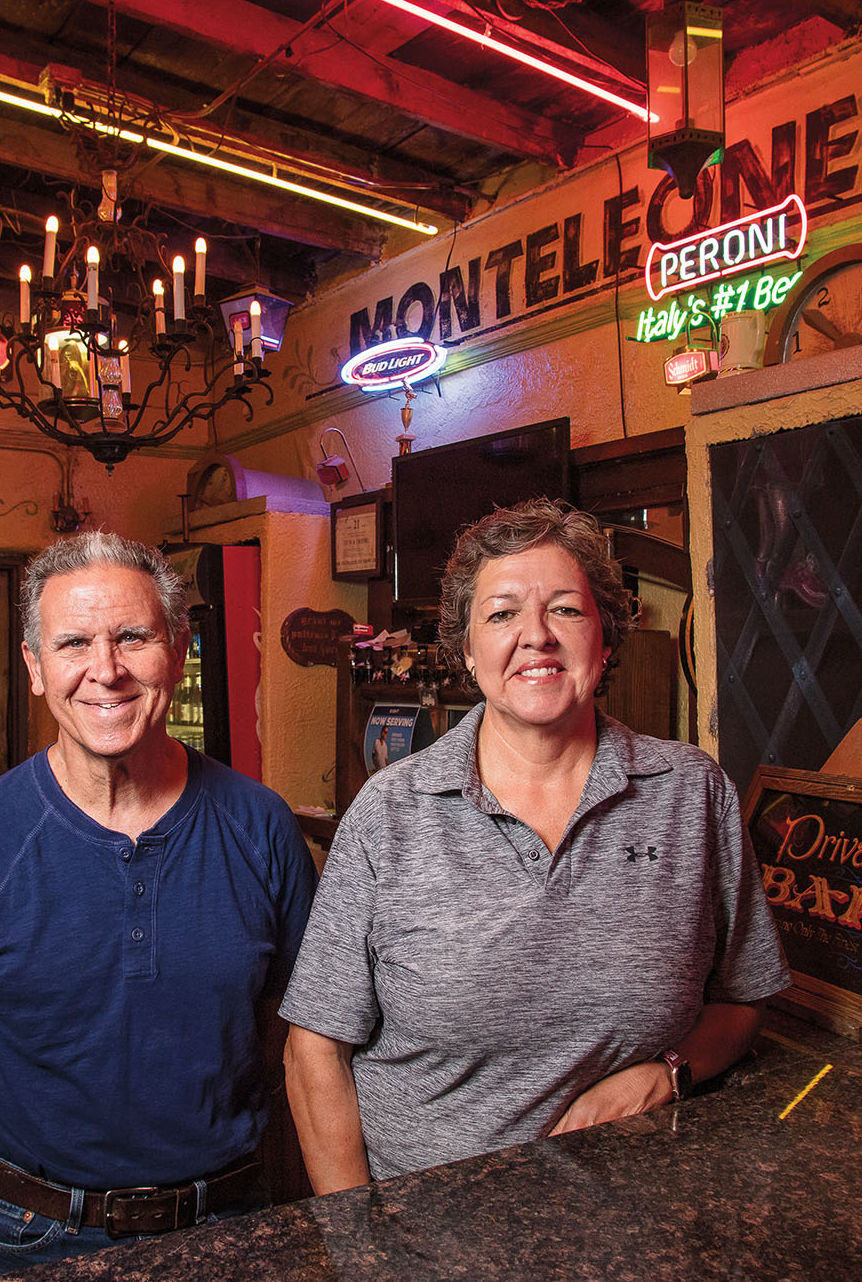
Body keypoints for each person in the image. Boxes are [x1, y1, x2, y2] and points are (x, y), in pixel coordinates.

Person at [281, 500, 790, 1192]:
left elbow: (743, 1003)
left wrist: (667, 1073)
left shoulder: (690, 794)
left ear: (607, 637)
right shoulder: (391, 814)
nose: (536, 637)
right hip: (434, 1241)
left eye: (566, 610)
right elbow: (314, 1050)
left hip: (645, 1229)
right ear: (465, 649)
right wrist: (357, 1247)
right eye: (501, 614)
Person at [0, 530, 318, 1282]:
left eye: (133, 637)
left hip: (227, 1235)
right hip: (16, 1246)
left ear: (176, 650)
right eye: (73, 642)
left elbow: (298, 1035)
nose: (105, 672)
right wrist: (41, 1191)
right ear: (35, 668)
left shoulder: (261, 825)